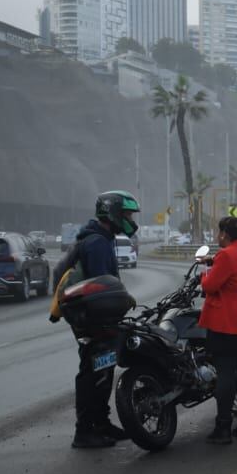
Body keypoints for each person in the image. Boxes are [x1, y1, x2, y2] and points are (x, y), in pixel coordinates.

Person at [51, 190, 141, 449]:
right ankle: (85, 431)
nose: (130, 219)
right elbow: (104, 285)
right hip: (92, 319)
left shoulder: (101, 238)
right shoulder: (97, 243)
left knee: (101, 370)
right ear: (111, 213)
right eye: (126, 214)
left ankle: (101, 424)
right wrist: (123, 299)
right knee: (94, 373)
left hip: (91, 316)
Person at [197, 215, 237, 444]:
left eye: (219, 232)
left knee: (225, 374)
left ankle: (223, 428)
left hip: (226, 322)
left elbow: (210, 285)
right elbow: (233, 265)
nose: (217, 236)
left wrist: (205, 271)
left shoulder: (226, 255)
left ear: (224, 234)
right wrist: (212, 261)